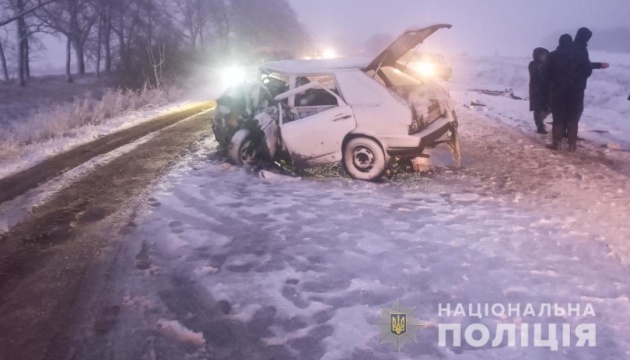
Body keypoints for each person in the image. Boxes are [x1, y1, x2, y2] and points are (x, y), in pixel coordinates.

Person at [566, 27, 609, 151]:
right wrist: (599, 65)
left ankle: (566, 134)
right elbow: (584, 68)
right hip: (577, 85)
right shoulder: (580, 49)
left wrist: (598, 65)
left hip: (568, 85)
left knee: (569, 111)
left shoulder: (571, 47)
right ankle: (571, 137)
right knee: (576, 111)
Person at [545, 34, 575, 150]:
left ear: (559, 42)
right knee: (572, 118)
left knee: (558, 118)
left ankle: (556, 144)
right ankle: (572, 144)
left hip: (557, 91)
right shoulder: (577, 55)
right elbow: (586, 70)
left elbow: (545, 74)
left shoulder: (552, 56)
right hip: (574, 92)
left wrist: (550, 84)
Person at [529, 47, 550, 134]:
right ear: (536, 56)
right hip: (536, 90)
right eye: (542, 55)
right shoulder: (533, 64)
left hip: (545, 89)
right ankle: (540, 126)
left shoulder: (546, 64)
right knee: (537, 109)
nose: (544, 56)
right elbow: (536, 75)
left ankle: (541, 119)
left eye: (545, 55)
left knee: (547, 106)